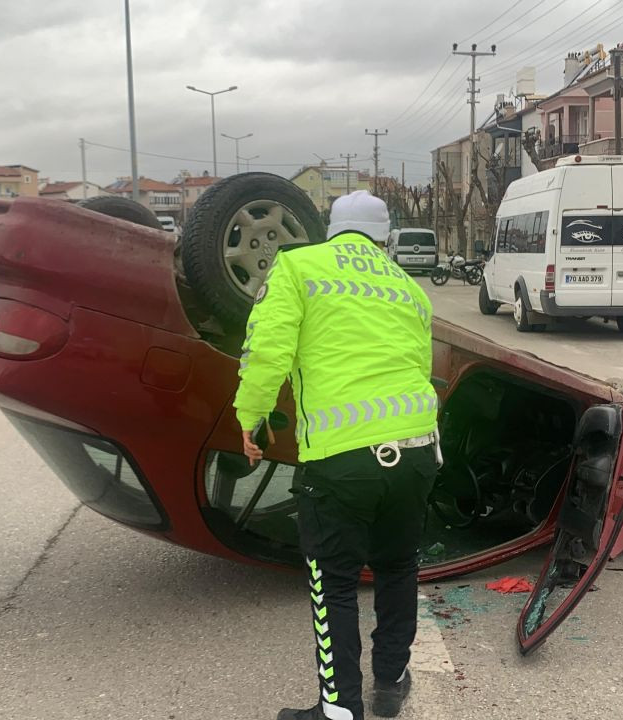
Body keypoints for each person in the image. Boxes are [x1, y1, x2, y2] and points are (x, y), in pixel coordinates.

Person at [234, 190, 439, 720]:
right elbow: (419, 363)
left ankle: (340, 708)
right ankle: (391, 683)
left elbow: (267, 347)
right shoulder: (408, 288)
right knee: (398, 567)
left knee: (335, 582)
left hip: (341, 458)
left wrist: (248, 415)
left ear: (332, 229)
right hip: (416, 448)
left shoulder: (298, 266)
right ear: (384, 236)